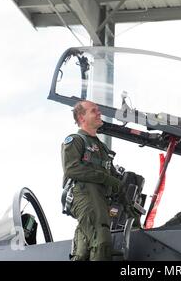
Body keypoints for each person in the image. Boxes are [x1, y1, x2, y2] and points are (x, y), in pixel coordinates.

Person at [61, 100, 122, 260]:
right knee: (102, 240)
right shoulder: (76, 140)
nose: (99, 113)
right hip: (85, 195)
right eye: (94, 111)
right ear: (82, 117)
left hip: (99, 199)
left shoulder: (101, 147)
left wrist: (119, 183)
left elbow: (110, 173)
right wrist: (105, 178)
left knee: (83, 251)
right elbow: (71, 169)